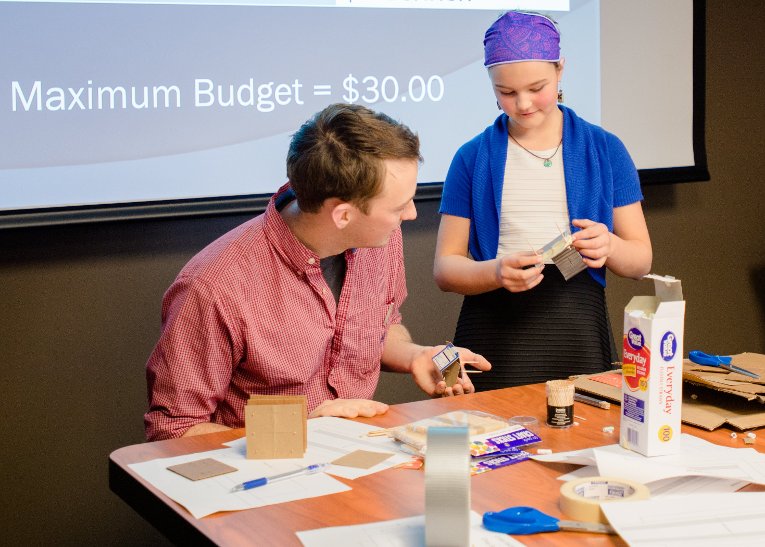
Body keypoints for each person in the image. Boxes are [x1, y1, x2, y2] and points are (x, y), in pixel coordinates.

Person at [145, 103, 491, 441]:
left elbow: (378, 329)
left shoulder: (380, 239)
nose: (411, 214)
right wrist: (297, 428)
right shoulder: (215, 286)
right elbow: (173, 432)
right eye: (399, 206)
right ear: (342, 215)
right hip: (262, 480)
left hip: (358, 457)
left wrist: (414, 355)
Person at [434, 11, 652, 390]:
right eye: (506, 92)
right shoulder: (472, 157)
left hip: (577, 327)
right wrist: (495, 272)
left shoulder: (606, 149)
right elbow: (445, 269)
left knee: (582, 437)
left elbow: (640, 262)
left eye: (537, 87)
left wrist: (610, 245)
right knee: (488, 438)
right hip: (493, 329)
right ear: (491, 85)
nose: (523, 103)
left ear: (560, 70)